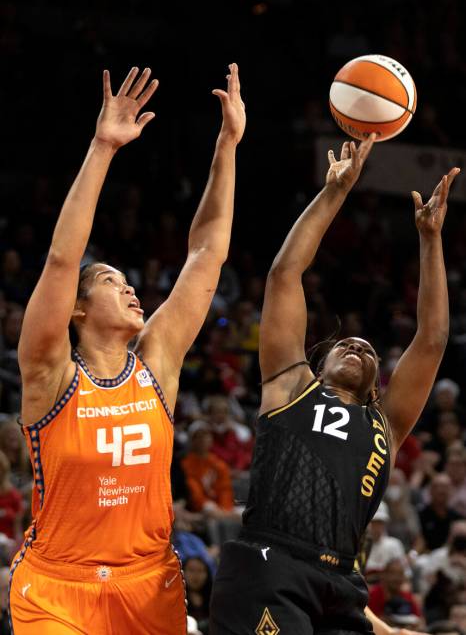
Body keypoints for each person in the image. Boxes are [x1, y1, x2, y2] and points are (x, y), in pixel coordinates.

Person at [10, 63, 246, 634]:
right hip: (57, 591)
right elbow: (63, 261)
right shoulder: (48, 373)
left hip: (149, 584)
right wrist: (102, 148)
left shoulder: (157, 363)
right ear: (79, 309)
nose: (131, 287)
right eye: (113, 282)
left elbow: (206, 255)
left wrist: (228, 146)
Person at [210, 133, 460, 635]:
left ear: (375, 385)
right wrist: (336, 192)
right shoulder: (289, 385)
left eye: (368, 350)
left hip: (342, 582)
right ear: (317, 363)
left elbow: (431, 340)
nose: (359, 346)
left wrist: (430, 240)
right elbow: (285, 274)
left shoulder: (385, 425)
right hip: (270, 562)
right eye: (346, 344)